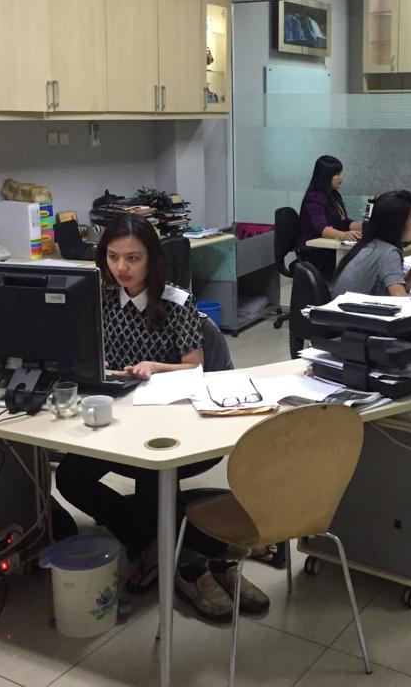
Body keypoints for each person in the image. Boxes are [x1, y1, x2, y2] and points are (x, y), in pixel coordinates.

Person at [55, 215, 270, 621]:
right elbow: (95, 353)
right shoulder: (103, 297)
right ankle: (167, 543)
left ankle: (166, 554)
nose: (122, 268)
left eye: (133, 258)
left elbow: (194, 366)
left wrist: (154, 366)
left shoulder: (177, 302)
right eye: (113, 257)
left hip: (173, 420)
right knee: (70, 477)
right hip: (120, 415)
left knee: (150, 470)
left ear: (152, 260)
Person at [331, 190, 411, 297]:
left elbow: (400, 288)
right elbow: (401, 300)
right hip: (350, 308)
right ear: (397, 224)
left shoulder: (372, 245)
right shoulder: (388, 253)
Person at [296, 155, 364, 280]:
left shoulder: (334, 195)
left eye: (340, 173)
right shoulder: (315, 197)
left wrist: (361, 226)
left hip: (328, 249)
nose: (341, 177)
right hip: (316, 253)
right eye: (336, 174)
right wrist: (344, 235)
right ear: (325, 176)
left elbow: (343, 221)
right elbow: (321, 229)